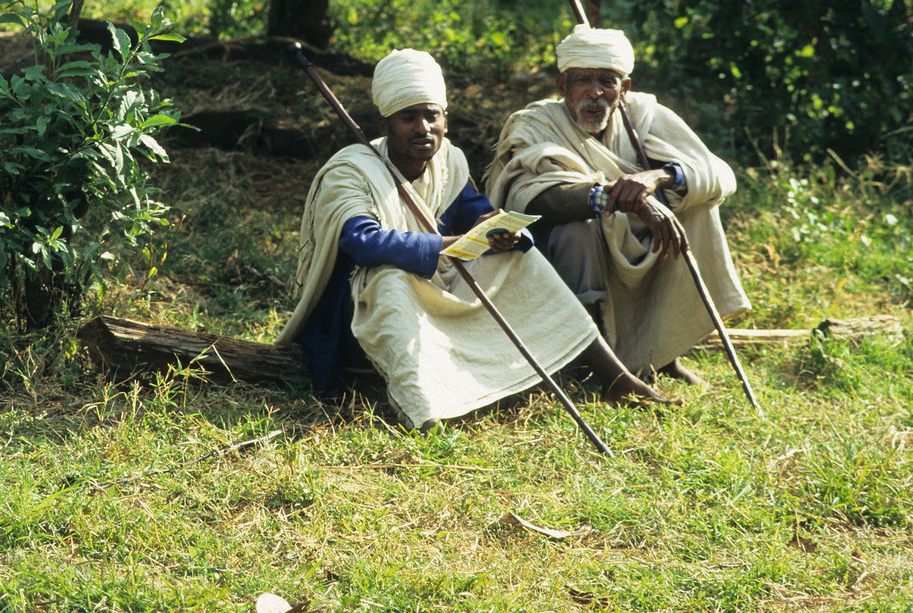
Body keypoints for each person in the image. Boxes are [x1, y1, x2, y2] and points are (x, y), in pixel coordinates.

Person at [276, 48, 673, 430]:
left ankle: (615, 379)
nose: (422, 128)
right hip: (358, 314)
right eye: (407, 118)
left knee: (522, 259)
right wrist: (449, 244)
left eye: (431, 116)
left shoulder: (450, 159)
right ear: (385, 125)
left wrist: (499, 228)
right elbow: (363, 242)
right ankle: (424, 413)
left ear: (445, 119)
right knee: (391, 281)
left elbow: (475, 212)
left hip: (432, 286)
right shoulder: (350, 171)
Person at [485, 24, 750, 383]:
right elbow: (538, 197)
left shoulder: (645, 114)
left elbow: (718, 174)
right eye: (582, 80)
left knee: (699, 208)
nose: (595, 93)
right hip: (555, 253)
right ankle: (590, 364)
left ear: (624, 88)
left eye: (607, 81)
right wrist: (620, 198)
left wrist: (656, 179)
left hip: (634, 241)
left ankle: (662, 355)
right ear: (562, 85)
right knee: (576, 230)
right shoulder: (535, 124)